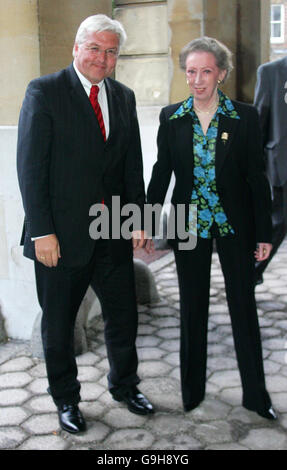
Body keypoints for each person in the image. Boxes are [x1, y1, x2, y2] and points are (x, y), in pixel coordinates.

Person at [17, 14, 154, 434]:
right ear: (76, 48)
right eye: (94, 48)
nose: (102, 58)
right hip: (58, 236)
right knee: (58, 325)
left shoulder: (124, 97)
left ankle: (125, 386)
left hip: (112, 229)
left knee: (124, 317)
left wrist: (137, 219)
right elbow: (31, 166)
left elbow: (132, 165)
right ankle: (66, 401)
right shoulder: (45, 91)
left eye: (110, 51)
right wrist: (42, 231)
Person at [147, 37, 277, 420]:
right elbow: (160, 175)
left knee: (243, 307)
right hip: (188, 225)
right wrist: (144, 225)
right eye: (191, 71)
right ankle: (192, 392)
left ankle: (256, 395)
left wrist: (265, 234)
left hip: (235, 225)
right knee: (192, 307)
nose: (198, 80)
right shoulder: (172, 117)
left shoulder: (245, 117)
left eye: (206, 71)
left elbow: (257, 178)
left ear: (221, 73)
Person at [253, 56, 287, 285]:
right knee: (279, 222)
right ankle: (251, 271)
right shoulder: (271, 72)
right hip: (283, 164)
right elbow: (259, 121)